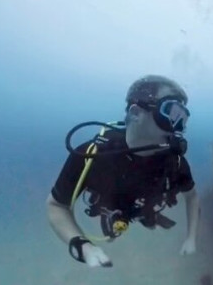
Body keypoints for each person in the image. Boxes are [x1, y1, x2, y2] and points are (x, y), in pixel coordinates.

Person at [46, 75, 201, 268]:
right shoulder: (91, 155)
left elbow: (192, 197)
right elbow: (57, 205)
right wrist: (80, 245)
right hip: (110, 206)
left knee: (148, 217)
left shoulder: (175, 162)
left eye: (182, 118)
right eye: (170, 112)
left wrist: (191, 238)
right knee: (115, 223)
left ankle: (146, 216)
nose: (178, 128)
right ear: (135, 112)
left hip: (146, 206)